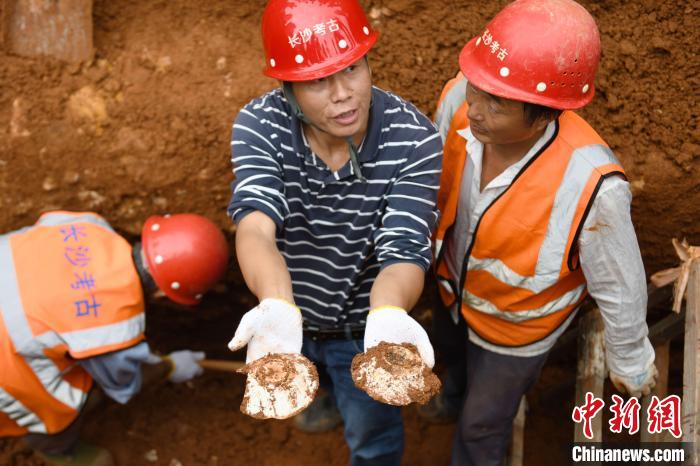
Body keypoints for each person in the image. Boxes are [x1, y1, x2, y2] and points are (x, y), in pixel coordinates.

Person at [422, 0, 658, 464]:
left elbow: (620, 285)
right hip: (449, 290)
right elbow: (429, 181)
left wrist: (631, 362)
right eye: (477, 87)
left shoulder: (591, 184)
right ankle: (452, 395)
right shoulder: (458, 101)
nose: (475, 109)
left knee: (482, 424)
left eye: (498, 103)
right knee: (451, 360)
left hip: (516, 332)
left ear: (546, 115)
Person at [226, 0, 441, 464]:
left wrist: (385, 316)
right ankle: (320, 396)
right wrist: (279, 305)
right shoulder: (260, 125)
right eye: (317, 81)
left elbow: (404, 249)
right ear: (287, 87)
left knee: (372, 439)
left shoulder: (414, 139)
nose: (343, 94)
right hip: (287, 315)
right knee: (308, 379)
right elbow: (256, 225)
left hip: (362, 330)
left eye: (352, 69)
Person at [0, 210, 229, 466]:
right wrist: (170, 367)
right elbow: (124, 384)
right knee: (57, 408)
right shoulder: (112, 329)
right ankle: (56, 450)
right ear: (165, 295)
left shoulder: (87, 224)